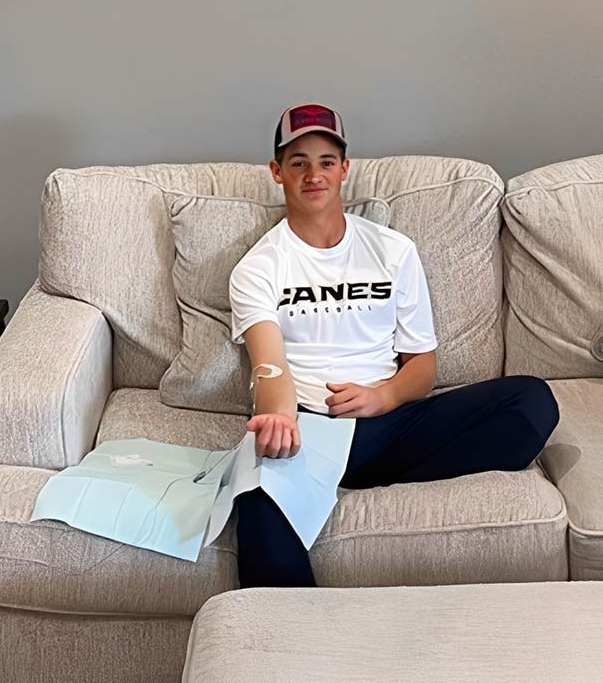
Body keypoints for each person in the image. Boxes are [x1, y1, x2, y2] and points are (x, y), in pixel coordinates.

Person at [229, 102, 560, 588]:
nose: (313, 174)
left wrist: (382, 396)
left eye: (325, 161)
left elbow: (422, 366)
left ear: (344, 169)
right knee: (258, 504)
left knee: (532, 401)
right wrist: (280, 418)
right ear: (277, 172)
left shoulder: (392, 250)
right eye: (298, 162)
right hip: (310, 426)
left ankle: (348, 477)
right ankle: (300, 651)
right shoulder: (258, 267)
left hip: (389, 423)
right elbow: (269, 366)